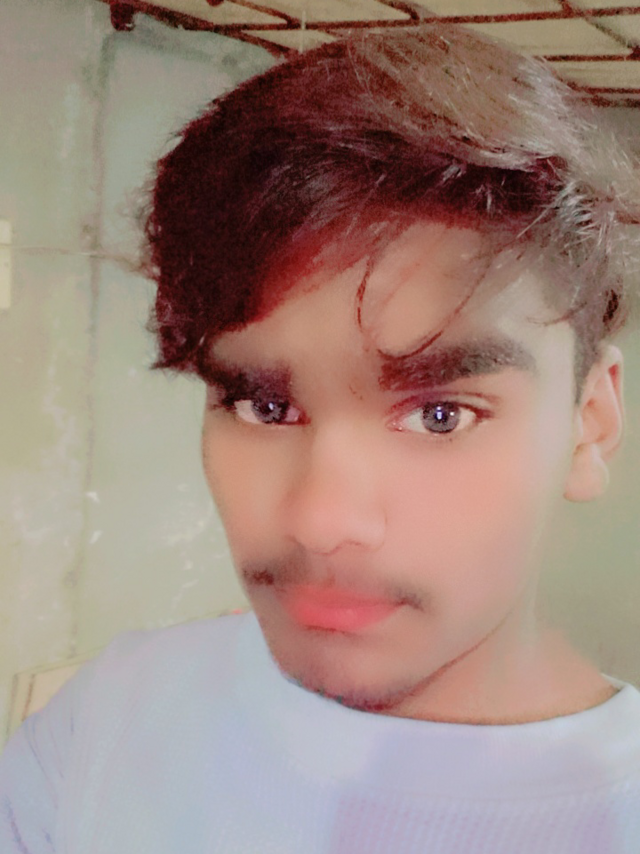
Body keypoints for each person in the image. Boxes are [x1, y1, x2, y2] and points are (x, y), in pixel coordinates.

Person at [1, 21, 640, 854]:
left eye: (440, 415)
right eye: (264, 407)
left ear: (590, 424)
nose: (321, 522)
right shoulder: (110, 718)